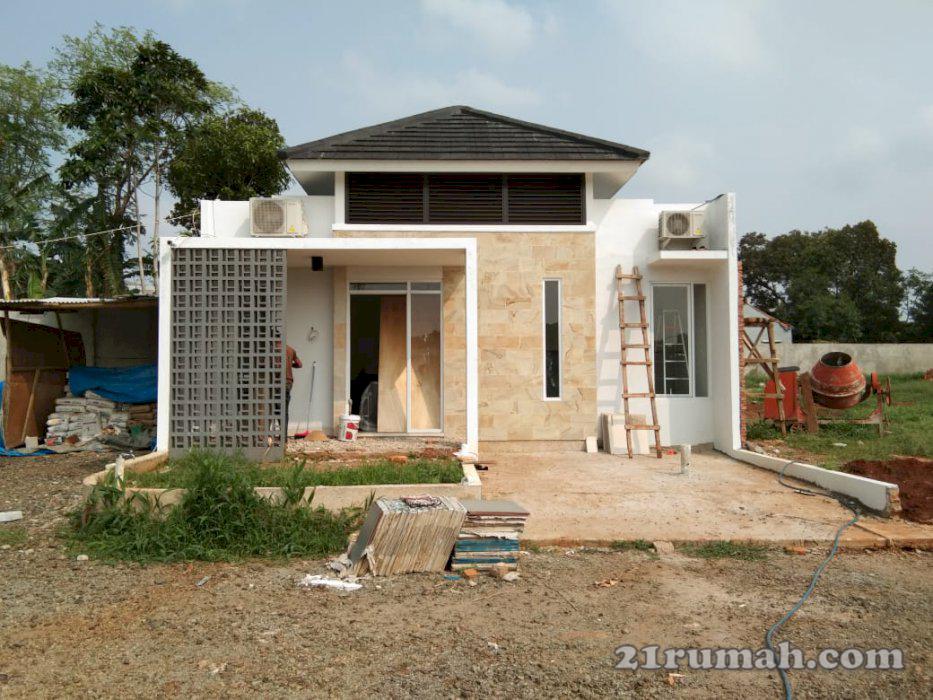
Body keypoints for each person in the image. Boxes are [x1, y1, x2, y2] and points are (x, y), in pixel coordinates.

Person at [285, 344, 302, 434]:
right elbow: (299, 364)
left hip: (275, 383)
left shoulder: (271, 349)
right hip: (287, 382)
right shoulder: (290, 350)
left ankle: (268, 436)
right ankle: (283, 437)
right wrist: (289, 364)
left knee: (272, 409)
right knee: (284, 410)